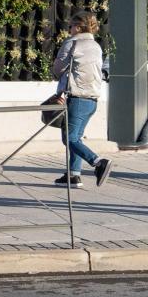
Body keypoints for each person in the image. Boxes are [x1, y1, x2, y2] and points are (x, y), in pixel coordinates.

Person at [54, 11, 112, 187]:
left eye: (71, 26)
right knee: (76, 138)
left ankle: (98, 162)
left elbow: (57, 69)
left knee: (69, 139)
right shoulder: (96, 46)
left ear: (78, 27)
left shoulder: (72, 43)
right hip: (92, 100)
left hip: (77, 98)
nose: (69, 29)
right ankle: (73, 175)